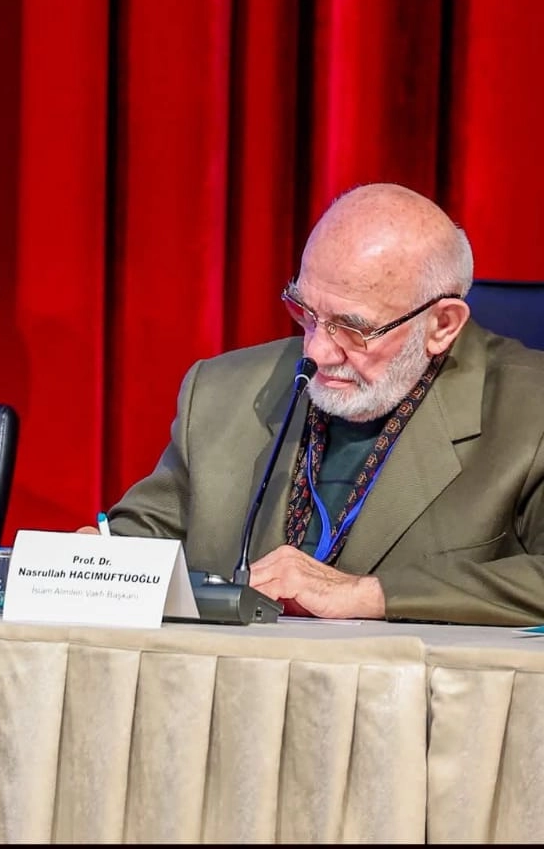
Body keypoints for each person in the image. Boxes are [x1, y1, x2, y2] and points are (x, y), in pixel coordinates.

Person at [106, 182, 544, 626]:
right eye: (306, 313)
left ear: (442, 325)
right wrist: (91, 562)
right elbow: (138, 544)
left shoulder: (531, 412)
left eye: (353, 329)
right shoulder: (221, 390)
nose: (315, 351)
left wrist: (368, 595)